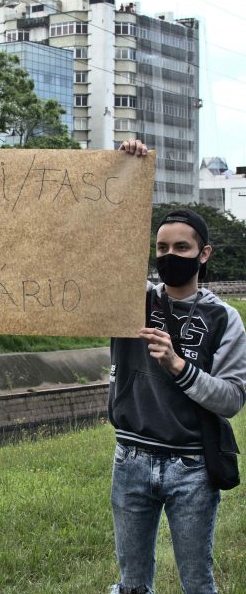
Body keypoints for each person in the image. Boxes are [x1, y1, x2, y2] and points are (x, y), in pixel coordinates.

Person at [108, 140, 246, 593]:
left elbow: (230, 399)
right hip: (130, 459)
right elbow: (101, 245)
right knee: (131, 584)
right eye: (162, 246)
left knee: (196, 583)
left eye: (182, 247)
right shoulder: (131, 300)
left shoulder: (225, 317)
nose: (169, 254)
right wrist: (126, 169)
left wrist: (177, 364)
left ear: (203, 254)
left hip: (192, 467)